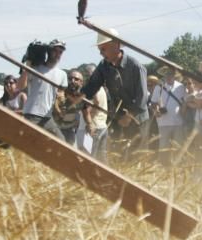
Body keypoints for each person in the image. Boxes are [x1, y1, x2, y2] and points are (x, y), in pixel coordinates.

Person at [77, 28, 150, 156]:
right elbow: (91, 87)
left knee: (136, 155)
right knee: (118, 155)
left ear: (116, 45)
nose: (101, 53)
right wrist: (79, 97)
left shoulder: (136, 67)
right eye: (100, 50)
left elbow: (142, 97)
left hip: (138, 120)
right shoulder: (104, 66)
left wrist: (129, 116)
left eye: (103, 49)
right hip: (118, 118)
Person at [17, 38, 67, 139]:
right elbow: (20, 86)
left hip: (47, 117)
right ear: (48, 51)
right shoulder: (35, 68)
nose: (57, 54)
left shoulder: (62, 74)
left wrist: (61, 102)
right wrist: (28, 66)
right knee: (30, 145)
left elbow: (61, 95)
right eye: (55, 50)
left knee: (61, 141)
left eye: (60, 52)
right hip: (32, 114)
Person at [149, 67, 186, 161]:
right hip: (163, 122)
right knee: (164, 147)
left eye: (170, 74)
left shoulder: (181, 87)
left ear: (174, 75)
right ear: (164, 75)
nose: (168, 76)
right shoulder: (159, 87)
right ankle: (163, 167)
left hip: (178, 122)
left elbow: (185, 103)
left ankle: (178, 166)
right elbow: (153, 103)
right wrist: (156, 110)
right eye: (167, 74)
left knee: (178, 146)